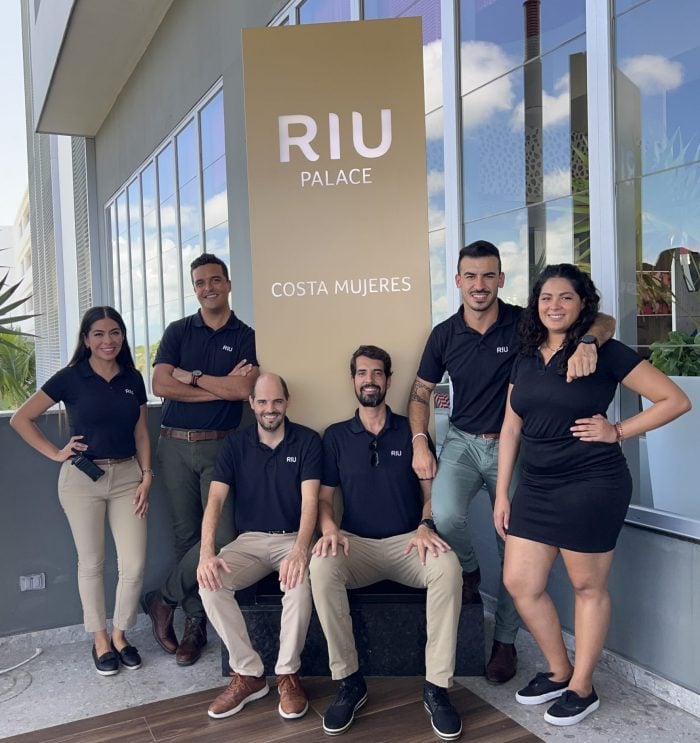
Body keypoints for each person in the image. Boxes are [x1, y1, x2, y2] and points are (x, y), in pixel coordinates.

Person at [408, 240, 615, 684]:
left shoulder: (525, 321)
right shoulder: (444, 333)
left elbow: (602, 318)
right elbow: (420, 392)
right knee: (444, 515)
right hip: (462, 441)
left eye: (489, 275)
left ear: (500, 279)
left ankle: (504, 641)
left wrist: (590, 342)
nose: (479, 285)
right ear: (458, 280)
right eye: (471, 276)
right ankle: (468, 568)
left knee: (513, 550)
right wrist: (421, 441)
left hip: (514, 447)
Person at [494, 264, 691, 726]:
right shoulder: (524, 357)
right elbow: (510, 427)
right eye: (546, 298)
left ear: (583, 303)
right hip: (537, 486)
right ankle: (559, 669)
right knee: (521, 583)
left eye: (565, 297)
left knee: (587, 586)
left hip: (591, 483)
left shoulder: (603, 350)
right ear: (535, 306)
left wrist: (617, 429)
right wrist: (503, 493)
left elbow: (675, 400)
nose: (554, 306)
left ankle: (583, 687)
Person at [310, 345, 463, 741]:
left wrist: (427, 523)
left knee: (448, 568)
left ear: (389, 381)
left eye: (378, 374)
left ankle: (437, 686)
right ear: (353, 381)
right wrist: (328, 529)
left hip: (409, 544)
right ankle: (349, 682)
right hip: (355, 546)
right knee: (321, 567)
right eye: (362, 373)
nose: (370, 381)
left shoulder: (412, 434)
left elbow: (431, 492)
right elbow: (324, 500)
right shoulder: (337, 436)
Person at [10, 306, 151, 676]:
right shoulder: (71, 377)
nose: (109, 341)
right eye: (100, 334)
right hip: (81, 481)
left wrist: (147, 474)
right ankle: (100, 639)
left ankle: (121, 634)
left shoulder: (133, 378)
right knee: (91, 563)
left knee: (133, 564)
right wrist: (56, 453)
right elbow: (20, 418)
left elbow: (140, 432)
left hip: (127, 477)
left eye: (115, 332)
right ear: (86, 339)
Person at [143, 253, 259, 666]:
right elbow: (159, 384)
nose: (207, 288)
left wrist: (189, 378)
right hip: (173, 445)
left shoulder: (245, 334)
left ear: (228, 284)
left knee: (221, 536)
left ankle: (164, 598)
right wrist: (219, 386)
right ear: (194, 289)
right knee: (184, 537)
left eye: (214, 280)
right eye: (199, 282)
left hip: (221, 446)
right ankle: (196, 624)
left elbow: (245, 388)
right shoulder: (178, 331)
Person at [197, 373, 320, 721]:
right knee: (210, 583)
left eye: (276, 401)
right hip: (249, 541)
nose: (270, 409)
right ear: (251, 404)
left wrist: (300, 549)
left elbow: (310, 501)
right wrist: (208, 553)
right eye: (262, 402)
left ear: (287, 401)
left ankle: (287, 673)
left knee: (299, 585)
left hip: (291, 538)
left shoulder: (307, 441)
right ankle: (249, 673)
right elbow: (215, 500)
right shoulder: (235, 445)